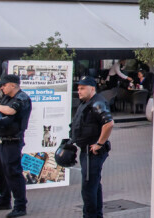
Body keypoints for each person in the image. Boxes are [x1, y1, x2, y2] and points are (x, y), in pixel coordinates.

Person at [0, 74, 32, 218]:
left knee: (13, 173)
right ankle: (4, 200)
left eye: (4, 85)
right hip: (1, 139)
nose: (2, 87)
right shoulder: (6, 97)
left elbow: (11, 110)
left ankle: (20, 205)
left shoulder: (22, 97)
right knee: (1, 173)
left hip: (13, 140)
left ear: (13, 85)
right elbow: (0, 108)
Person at [69, 76, 114, 218]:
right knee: (94, 185)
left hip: (92, 152)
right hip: (87, 150)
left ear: (92, 88)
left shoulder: (97, 103)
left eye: (82, 88)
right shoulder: (86, 103)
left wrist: (99, 144)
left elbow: (109, 123)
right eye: (78, 88)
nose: (79, 91)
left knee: (88, 187)